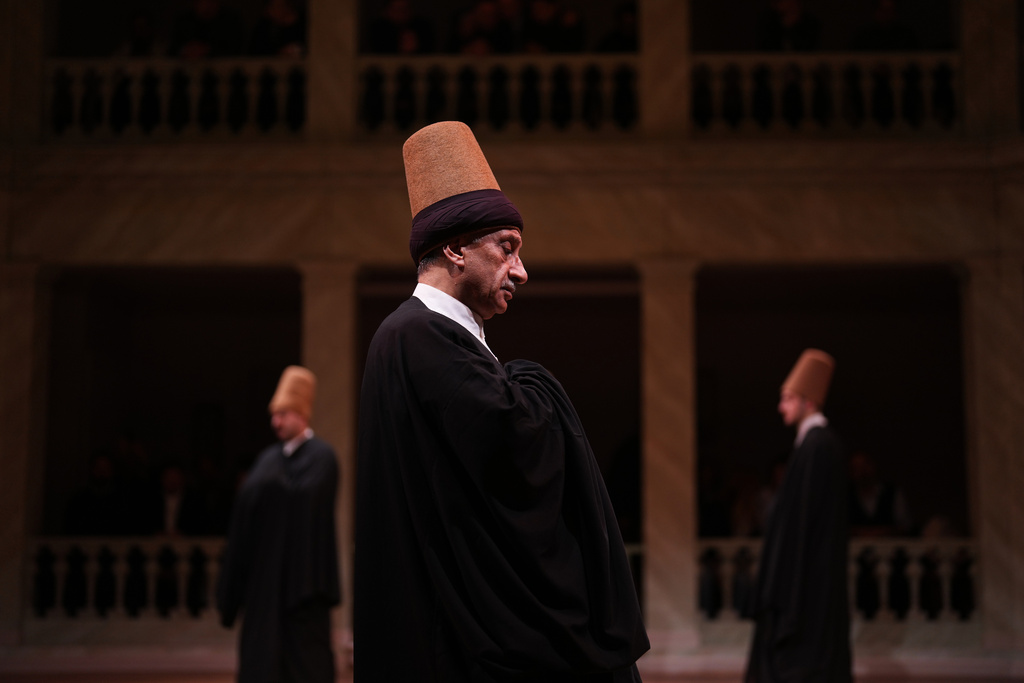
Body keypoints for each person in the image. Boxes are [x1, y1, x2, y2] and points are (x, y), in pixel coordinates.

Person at [354, 121, 649, 682]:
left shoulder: (416, 335)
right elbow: (515, 449)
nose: (521, 270)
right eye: (506, 248)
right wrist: (533, 381)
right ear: (454, 248)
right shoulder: (421, 335)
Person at [217, 366, 341, 683]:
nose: (276, 422)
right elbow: (246, 510)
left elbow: (304, 503)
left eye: (283, 413)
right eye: (274, 414)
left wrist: (266, 490)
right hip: (265, 586)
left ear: (301, 413)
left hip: (303, 587)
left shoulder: (322, 457)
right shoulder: (268, 460)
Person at [745, 349, 852, 683]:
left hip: (807, 582)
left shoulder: (818, 446)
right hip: (807, 577)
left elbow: (803, 525)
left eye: (788, 399)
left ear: (807, 401)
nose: (781, 407)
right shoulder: (813, 444)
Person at [848, 450, 914, 537]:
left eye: (865, 466)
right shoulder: (846, 496)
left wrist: (884, 532)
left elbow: (905, 526)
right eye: (857, 468)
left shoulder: (891, 493)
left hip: (889, 547)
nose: (863, 472)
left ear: (873, 466)